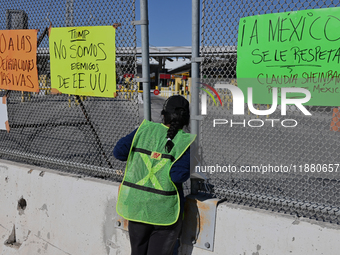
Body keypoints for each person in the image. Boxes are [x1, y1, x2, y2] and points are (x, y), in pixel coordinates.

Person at [114, 95, 196, 255]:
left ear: (163, 114)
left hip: (138, 207)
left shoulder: (144, 129)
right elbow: (178, 175)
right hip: (165, 212)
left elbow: (119, 152)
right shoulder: (186, 141)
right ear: (186, 120)